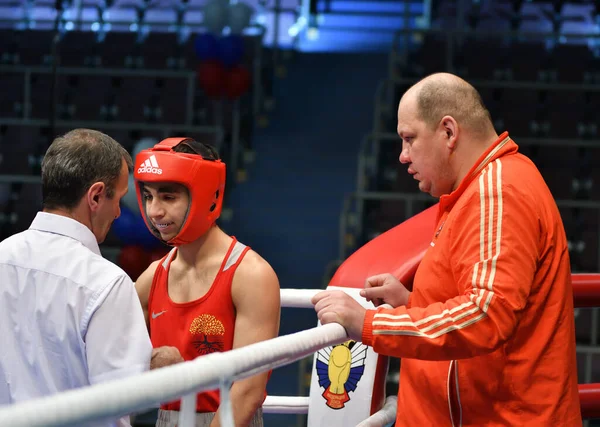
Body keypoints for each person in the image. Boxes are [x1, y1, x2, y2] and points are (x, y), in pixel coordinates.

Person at [312, 73, 582, 426]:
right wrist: (411, 303)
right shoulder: (480, 190)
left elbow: (485, 315)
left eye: (410, 139)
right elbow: (483, 302)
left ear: (449, 132)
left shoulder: (497, 193)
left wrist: (369, 323)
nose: (403, 156)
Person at [0, 129, 152, 426]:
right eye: (119, 198)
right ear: (95, 196)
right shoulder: (106, 282)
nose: (120, 213)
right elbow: (120, 400)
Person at [133, 137, 280, 427]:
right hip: (168, 419)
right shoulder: (152, 277)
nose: (154, 211)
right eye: (149, 196)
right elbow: (112, 363)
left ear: (206, 195)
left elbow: (247, 390)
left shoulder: (251, 274)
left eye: (168, 197)